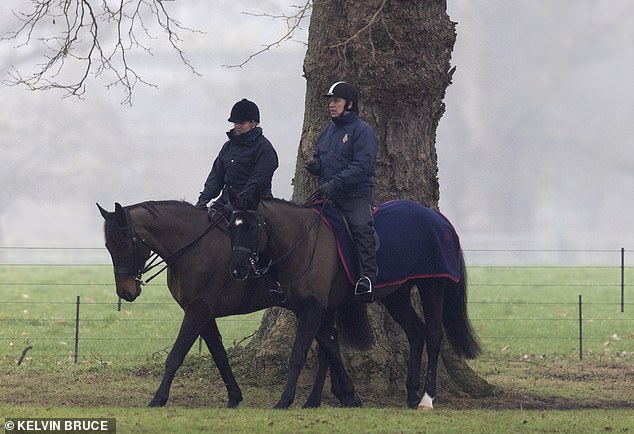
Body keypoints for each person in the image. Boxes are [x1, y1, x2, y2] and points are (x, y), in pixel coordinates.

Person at [306, 81, 379, 302]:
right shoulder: (328, 132)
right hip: (329, 195)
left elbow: (362, 166)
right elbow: (321, 157)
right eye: (330, 101)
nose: (331, 105)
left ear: (349, 104)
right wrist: (315, 165)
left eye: (335, 101)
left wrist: (335, 183)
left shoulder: (363, 131)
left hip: (355, 195)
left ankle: (367, 278)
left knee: (360, 227)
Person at [195, 98, 278, 212]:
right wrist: (204, 198)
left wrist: (239, 201)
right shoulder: (228, 147)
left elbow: (258, 180)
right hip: (227, 200)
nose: (237, 126)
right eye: (235, 123)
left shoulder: (265, 148)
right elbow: (216, 176)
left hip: (253, 204)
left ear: (253, 123)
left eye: (242, 123)